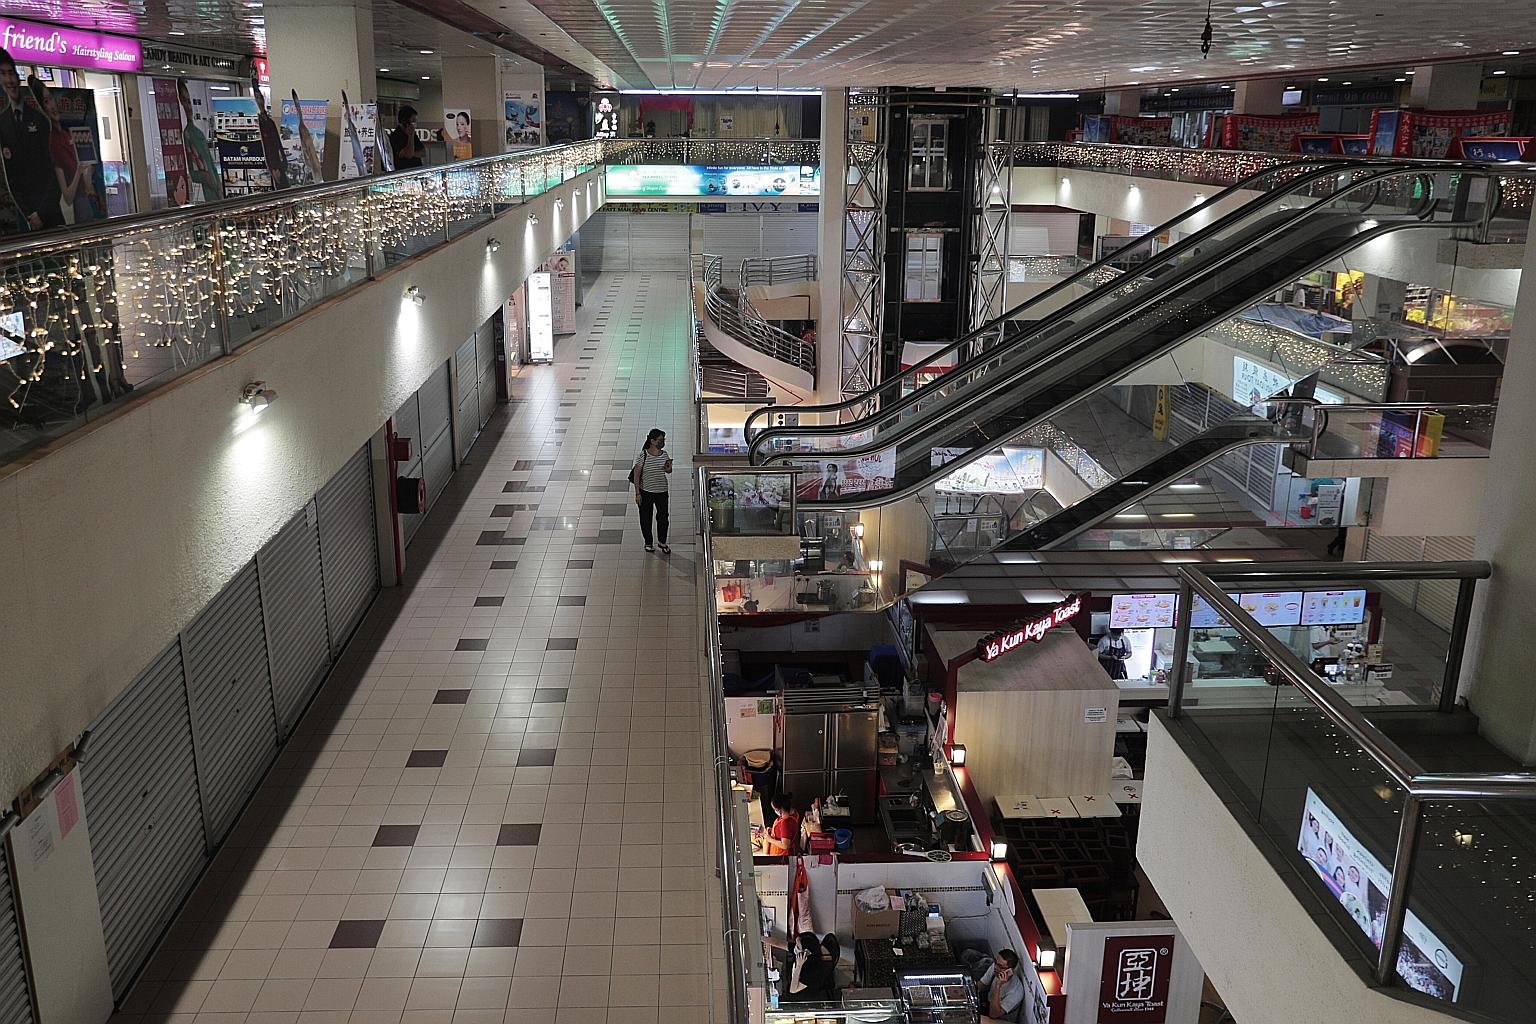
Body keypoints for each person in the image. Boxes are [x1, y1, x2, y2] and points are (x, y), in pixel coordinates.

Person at [0, 47, 62, 230]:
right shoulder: (2, 123)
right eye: (2, 74)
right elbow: (11, 177)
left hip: (49, 211)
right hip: (26, 217)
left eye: (11, 73)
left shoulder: (40, 119)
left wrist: (40, 214)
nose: (8, 80)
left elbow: (53, 172)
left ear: (17, 77)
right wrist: (29, 215)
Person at [28, 76, 99, 224]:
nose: (52, 106)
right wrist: (79, 172)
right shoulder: (52, 142)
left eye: (51, 99)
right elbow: (67, 196)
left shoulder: (67, 134)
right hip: (73, 209)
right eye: (46, 102)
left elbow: (86, 184)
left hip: (86, 203)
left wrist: (87, 172)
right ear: (41, 108)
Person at [631, 427, 673, 554]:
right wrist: (637, 493)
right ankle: (648, 542)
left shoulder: (664, 454)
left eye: (663, 439)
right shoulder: (643, 455)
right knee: (645, 518)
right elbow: (636, 475)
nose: (663, 442)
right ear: (652, 441)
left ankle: (662, 541)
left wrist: (668, 468)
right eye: (660, 440)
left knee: (663, 517)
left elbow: (668, 471)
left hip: (662, 491)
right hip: (646, 492)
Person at [178, 79, 222, 200]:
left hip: (215, 187)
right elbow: (194, 173)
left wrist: (218, 185)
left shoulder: (198, 133)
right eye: (184, 101)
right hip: (207, 189)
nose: (188, 106)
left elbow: (209, 162)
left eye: (189, 101)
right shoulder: (188, 134)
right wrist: (207, 178)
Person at [979, 949, 1025, 1024]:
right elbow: (981, 985)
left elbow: (993, 1014)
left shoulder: (1016, 991)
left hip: (1001, 1019)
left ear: (1010, 971)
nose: (996, 967)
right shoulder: (996, 968)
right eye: (996, 962)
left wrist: (998, 985)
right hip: (988, 1004)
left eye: (1000, 966)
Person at [391, 105, 424, 169]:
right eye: (413, 120)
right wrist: (410, 136)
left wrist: (412, 153)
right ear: (405, 121)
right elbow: (408, 154)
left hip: (416, 169)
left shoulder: (414, 135)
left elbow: (423, 152)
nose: (414, 123)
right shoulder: (396, 136)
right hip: (404, 171)